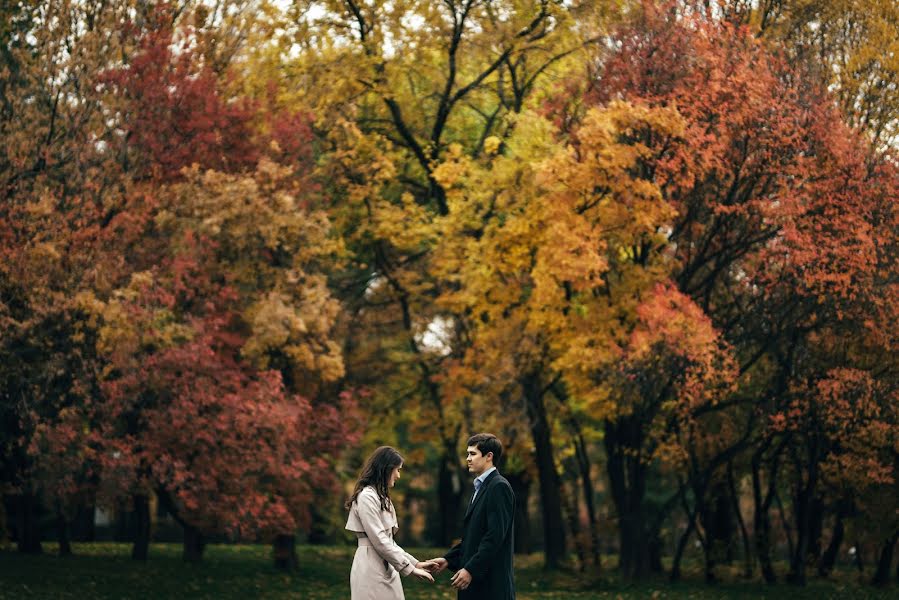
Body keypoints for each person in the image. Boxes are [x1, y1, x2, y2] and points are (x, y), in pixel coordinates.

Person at [429, 433, 516, 599]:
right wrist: (448, 559)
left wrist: (471, 570)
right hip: (476, 585)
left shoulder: (498, 487)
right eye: (467, 454)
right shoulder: (481, 487)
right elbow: (473, 537)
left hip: (491, 587)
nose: (468, 459)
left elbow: (494, 537)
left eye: (472, 454)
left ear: (489, 456)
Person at [345, 446, 435, 599]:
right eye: (397, 470)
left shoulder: (382, 498)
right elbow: (379, 540)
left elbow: (388, 542)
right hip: (370, 569)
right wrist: (410, 569)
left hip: (387, 566)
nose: (398, 476)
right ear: (386, 469)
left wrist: (414, 563)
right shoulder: (367, 497)